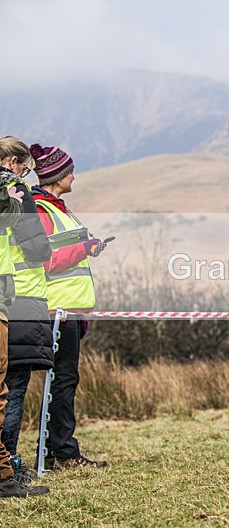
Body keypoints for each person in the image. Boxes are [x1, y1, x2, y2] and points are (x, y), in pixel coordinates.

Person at [30, 143, 108, 469]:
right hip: (57, 308)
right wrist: (83, 249)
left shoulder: (58, 208)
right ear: (58, 175)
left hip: (69, 309)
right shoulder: (42, 211)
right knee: (62, 381)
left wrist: (87, 246)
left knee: (62, 381)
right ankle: (63, 452)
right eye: (70, 171)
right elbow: (46, 261)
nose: (74, 176)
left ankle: (54, 451)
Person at [0, 137, 54, 486]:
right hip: (19, 296)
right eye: (25, 167)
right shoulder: (13, 190)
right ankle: (9, 466)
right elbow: (36, 248)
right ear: (14, 162)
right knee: (12, 387)